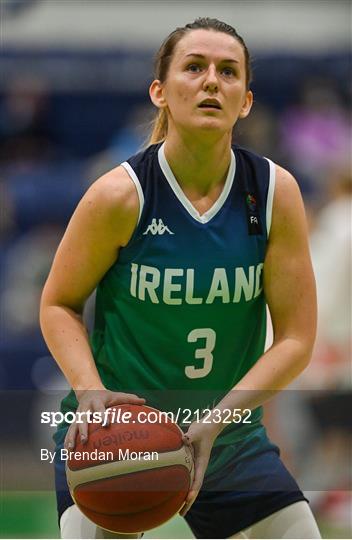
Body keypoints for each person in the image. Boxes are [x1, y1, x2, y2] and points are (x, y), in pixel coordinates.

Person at [40, 17, 321, 539]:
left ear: (247, 101)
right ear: (160, 92)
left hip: (230, 441)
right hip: (118, 440)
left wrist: (215, 423)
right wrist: (90, 394)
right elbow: (57, 303)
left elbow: (297, 339)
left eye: (228, 71)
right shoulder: (119, 195)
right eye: (194, 67)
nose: (212, 80)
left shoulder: (275, 194)